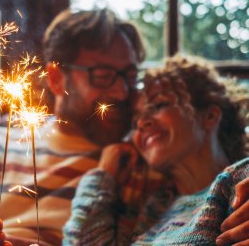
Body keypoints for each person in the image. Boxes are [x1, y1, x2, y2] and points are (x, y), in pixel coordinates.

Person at [0, 9, 249, 246]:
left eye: (130, 76)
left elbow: (211, 187)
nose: (121, 92)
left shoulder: (142, 160)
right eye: (103, 76)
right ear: (57, 78)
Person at [63, 54, 249, 245]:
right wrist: (102, 175)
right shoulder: (150, 213)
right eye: (135, 122)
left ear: (209, 116)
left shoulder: (242, 181)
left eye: (160, 105)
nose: (142, 123)